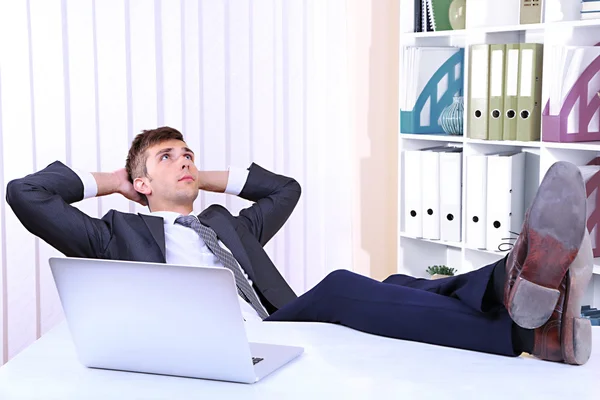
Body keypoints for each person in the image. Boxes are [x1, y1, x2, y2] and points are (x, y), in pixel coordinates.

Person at [6, 127, 593, 366]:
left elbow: (284, 190)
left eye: (188, 152)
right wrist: (117, 182)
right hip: (220, 340)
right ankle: (517, 310)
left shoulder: (226, 225)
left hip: (275, 325)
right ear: (140, 183)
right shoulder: (115, 234)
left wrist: (201, 178)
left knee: (392, 287)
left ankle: (520, 308)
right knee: (340, 285)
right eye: (169, 158)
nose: (184, 160)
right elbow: (26, 195)